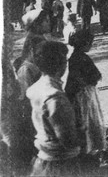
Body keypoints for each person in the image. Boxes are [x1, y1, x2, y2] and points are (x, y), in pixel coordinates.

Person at [27, 41, 82, 176]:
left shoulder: (37, 87)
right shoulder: (55, 97)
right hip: (61, 163)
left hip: (44, 157)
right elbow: (68, 140)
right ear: (61, 63)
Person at [66, 30, 106, 174]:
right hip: (83, 96)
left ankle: (86, 150)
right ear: (85, 44)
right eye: (90, 43)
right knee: (87, 122)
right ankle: (88, 152)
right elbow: (95, 76)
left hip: (78, 94)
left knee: (84, 123)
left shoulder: (73, 58)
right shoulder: (82, 58)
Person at [10, 35, 45, 175]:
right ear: (31, 49)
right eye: (40, 50)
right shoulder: (26, 69)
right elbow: (25, 97)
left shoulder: (36, 66)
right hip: (31, 115)